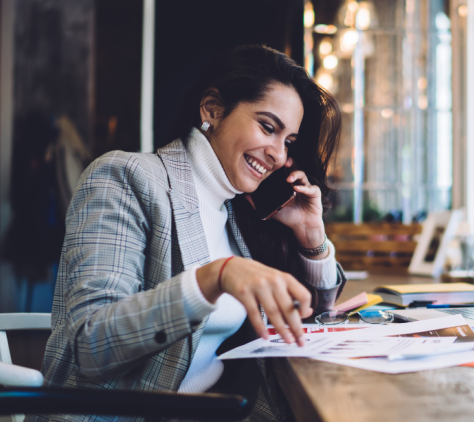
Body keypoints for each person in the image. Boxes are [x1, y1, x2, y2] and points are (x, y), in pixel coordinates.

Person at [30, 45, 346, 422]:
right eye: (267, 127)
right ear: (212, 109)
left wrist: (312, 237)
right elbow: (92, 343)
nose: (278, 154)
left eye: (288, 142)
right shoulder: (125, 178)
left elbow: (313, 318)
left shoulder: (234, 211)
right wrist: (212, 279)